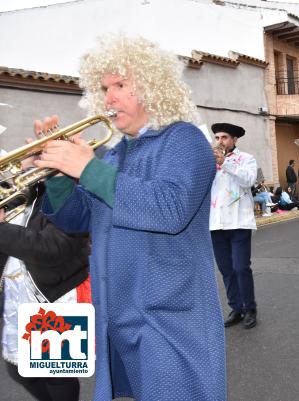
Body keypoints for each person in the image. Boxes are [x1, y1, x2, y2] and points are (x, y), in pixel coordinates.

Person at [35, 34, 226, 400]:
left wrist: (87, 170)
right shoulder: (112, 155)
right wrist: (59, 177)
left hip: (169, 318)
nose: (108, 98)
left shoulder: (185, 140)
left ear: (153, 86)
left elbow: (171, 209)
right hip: (119, 315)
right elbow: (80, 220)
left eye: (120, 85)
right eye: (104, 88)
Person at [1, 181, 90, 401]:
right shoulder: (28, 185)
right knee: (20, 371)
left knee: (54, 374)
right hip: (15, 291)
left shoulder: (70, 192)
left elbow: (51, 248)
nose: (29, 145)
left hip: (52, 295)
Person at [210, 122, 259, 329]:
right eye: (218, 138)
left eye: (224, 138)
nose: (220, 141)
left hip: (239, 221)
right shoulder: (209, 162)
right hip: (216, 223)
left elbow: (248, 180)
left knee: (241, 267)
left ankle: (250, 308)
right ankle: (236, 308)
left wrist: (225, 163)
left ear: (234, 140)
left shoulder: (246, 159)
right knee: (226, 269)